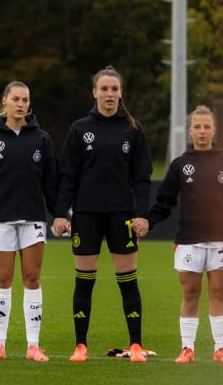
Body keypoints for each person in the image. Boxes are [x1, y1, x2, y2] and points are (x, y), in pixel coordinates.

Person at [52, 66, 153, 362]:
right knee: (84, 281)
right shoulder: (80, 129)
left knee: (128, 281)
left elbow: (142, 178)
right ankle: (80, 346)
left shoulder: (133, 129)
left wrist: (142, 214)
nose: (109, 94)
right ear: (94, 92)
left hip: (122, 215)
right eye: (104, 89)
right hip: (86, 214)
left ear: (121, 93)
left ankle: (136, 345)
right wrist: (60, 214)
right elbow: (68, 176)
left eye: (114, 89)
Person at [0, 82, 60, 362]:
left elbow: (52, 183)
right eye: (15, 99)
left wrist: (60, 214)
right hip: (1, 220)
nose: (20, 104)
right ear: (4, 100)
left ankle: (33, 346)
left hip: (33, 219)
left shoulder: (41, 139)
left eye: (25, 100)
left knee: (32, 278)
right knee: (3, 279)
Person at [145, 105, 223, 363]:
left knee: (218, 293)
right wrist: (148, 221)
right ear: (190, 131)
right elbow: (164, 201)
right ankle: (187, 349)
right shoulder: (180, 164)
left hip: (222, 240)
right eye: (197, 127)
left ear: (214, 130)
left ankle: (221, 349)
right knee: (190, 293)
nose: (202, 131)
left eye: (206, 127)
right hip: (189, 240)